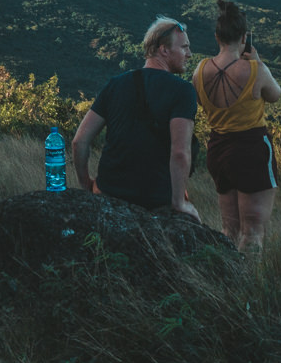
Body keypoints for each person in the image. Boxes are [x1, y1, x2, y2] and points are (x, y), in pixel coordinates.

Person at [71, 17, 200, 222]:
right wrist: (179, 203)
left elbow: (79, 141)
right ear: (164, 50)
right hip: (156, 198)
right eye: (184, 47)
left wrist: (86, 183)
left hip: (108, 192)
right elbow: (179, 153)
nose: (189, 54)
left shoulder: (115, 84)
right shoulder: (183, 91)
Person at [192, 0, 281, 252]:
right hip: (251, 149)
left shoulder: (199, 70)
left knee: (229, 229)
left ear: (217, 36)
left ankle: (225, 278)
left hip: (218, 149)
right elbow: (275, 94)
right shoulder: (255, 69)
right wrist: (259, 61)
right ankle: (248, 285)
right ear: (244, 37)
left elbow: (200, 100)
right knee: (252, 232)